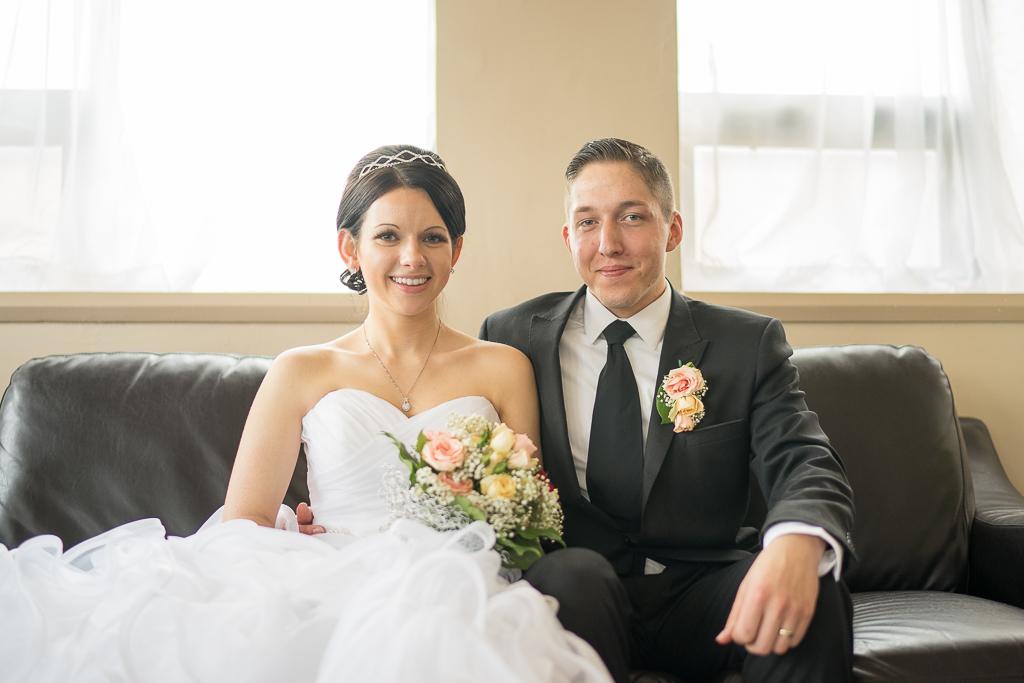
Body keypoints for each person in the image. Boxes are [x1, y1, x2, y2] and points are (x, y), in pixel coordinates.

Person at [0, 145, 611, 683]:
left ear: (456, 250)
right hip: (330, 571)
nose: (412, 258)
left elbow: (532, 514)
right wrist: (293, 540)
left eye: (431, 237)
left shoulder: (502, 366)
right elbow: (245, 519)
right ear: (350, 246)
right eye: (388, 236)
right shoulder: (301, 369)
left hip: (461, 581)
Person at [477, 138, 856, 683]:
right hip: (580, 593)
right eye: (587, 222)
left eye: (631, 217)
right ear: (568, 237)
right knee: (570, 577)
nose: (608, 243)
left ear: (672, 229)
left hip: (707, 588)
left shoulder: (745, 343)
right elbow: (456, 463)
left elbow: (803, 458)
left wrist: (798, 540)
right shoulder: (511, 338)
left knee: (818, 586)